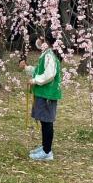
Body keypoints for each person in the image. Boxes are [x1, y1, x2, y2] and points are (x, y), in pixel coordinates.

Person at [19, 32, 61, 161]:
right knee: (44, 121)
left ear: (46, 41)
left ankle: (47, 151)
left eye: (41, 39)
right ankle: (44, 147)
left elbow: (49, 74)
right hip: (44, 93)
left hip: (47, 94)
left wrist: (35, 80)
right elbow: (39, 70)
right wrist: (27, 68)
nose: (38, 41)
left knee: (47, 122)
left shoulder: (49, 56)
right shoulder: (46, 55)